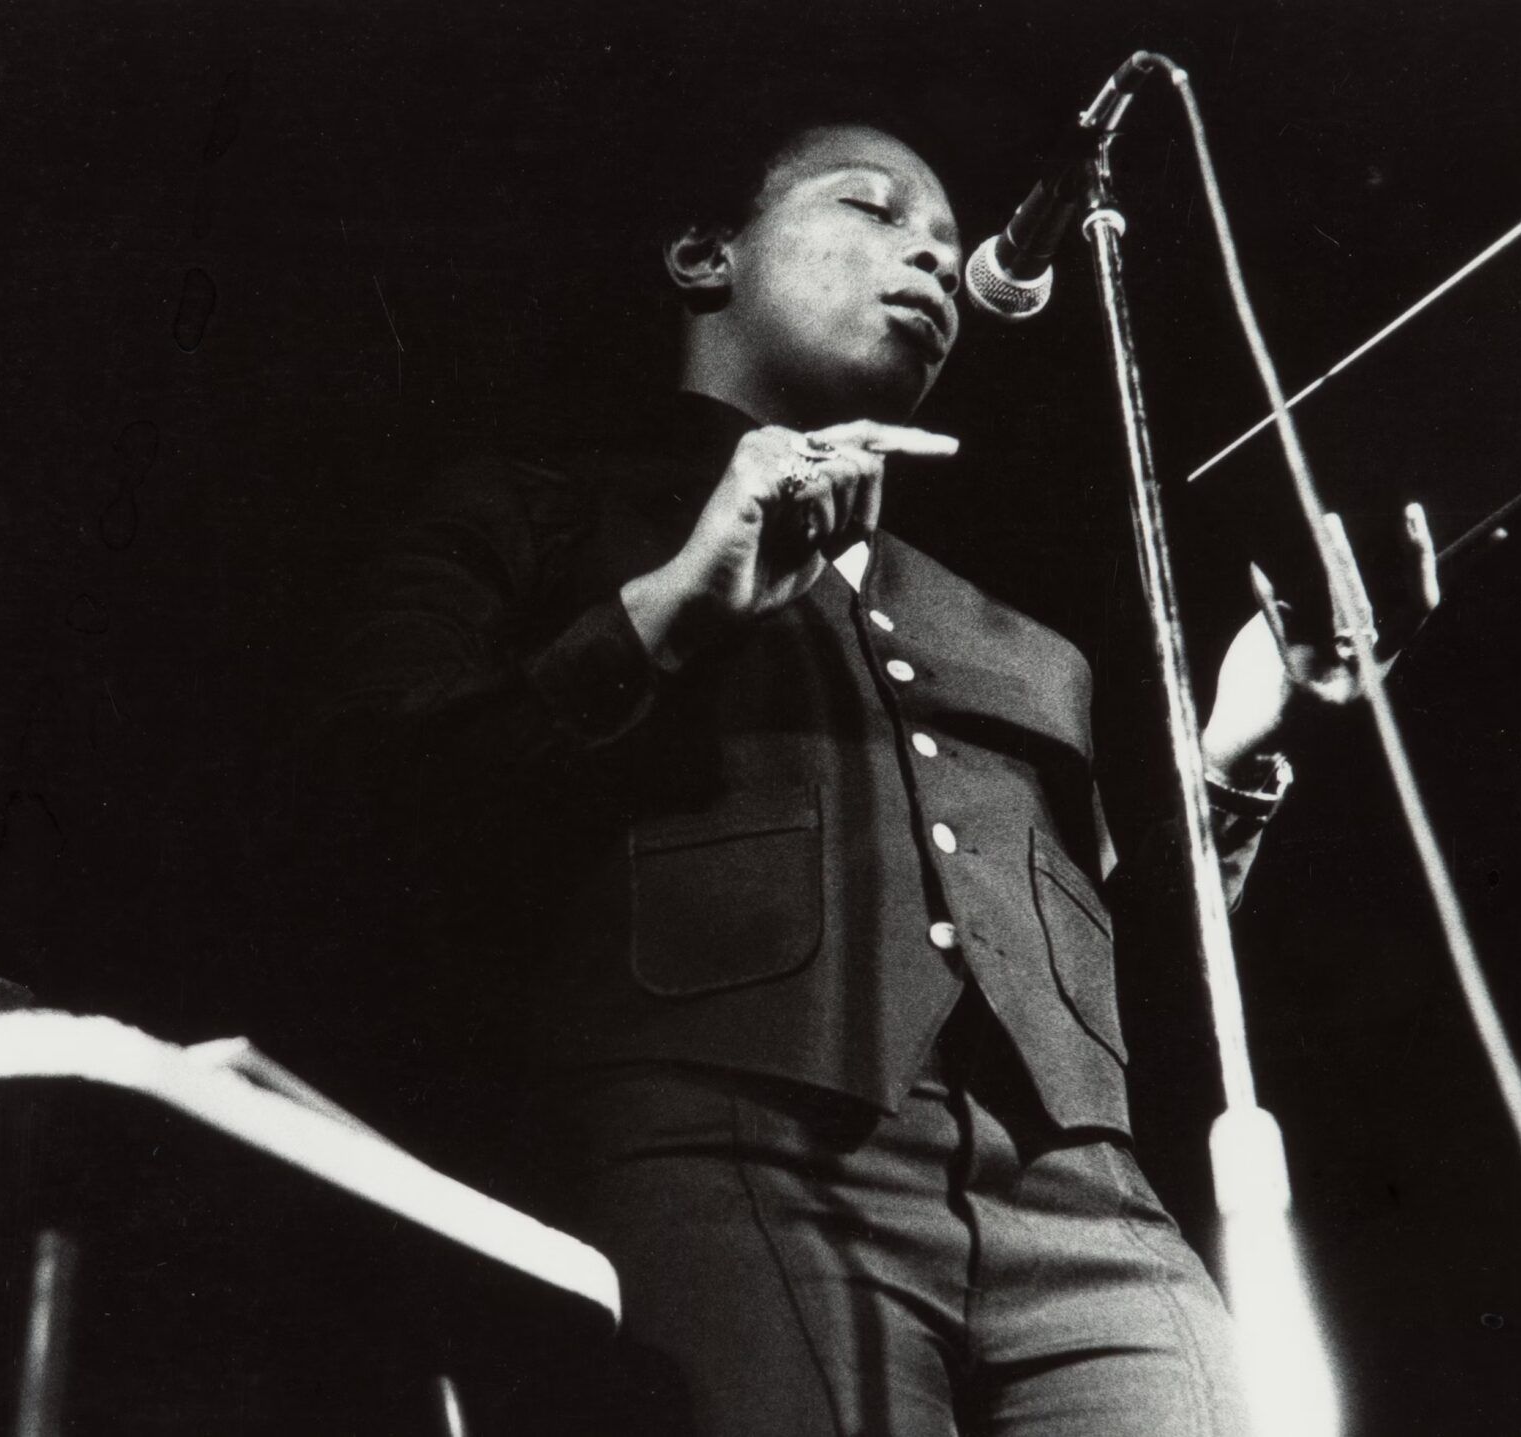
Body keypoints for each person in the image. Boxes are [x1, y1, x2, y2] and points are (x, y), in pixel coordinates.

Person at [322, 108, 1433, 1436]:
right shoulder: (529, 511)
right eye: (872, 209)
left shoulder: (1023, 643)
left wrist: (1243, 744)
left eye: (951, 245)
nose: (931, 262)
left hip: (1091, 1211)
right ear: (701, 255)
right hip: (741, 1159)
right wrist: (672, 608)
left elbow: (1119, 970)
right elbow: (388, 801)